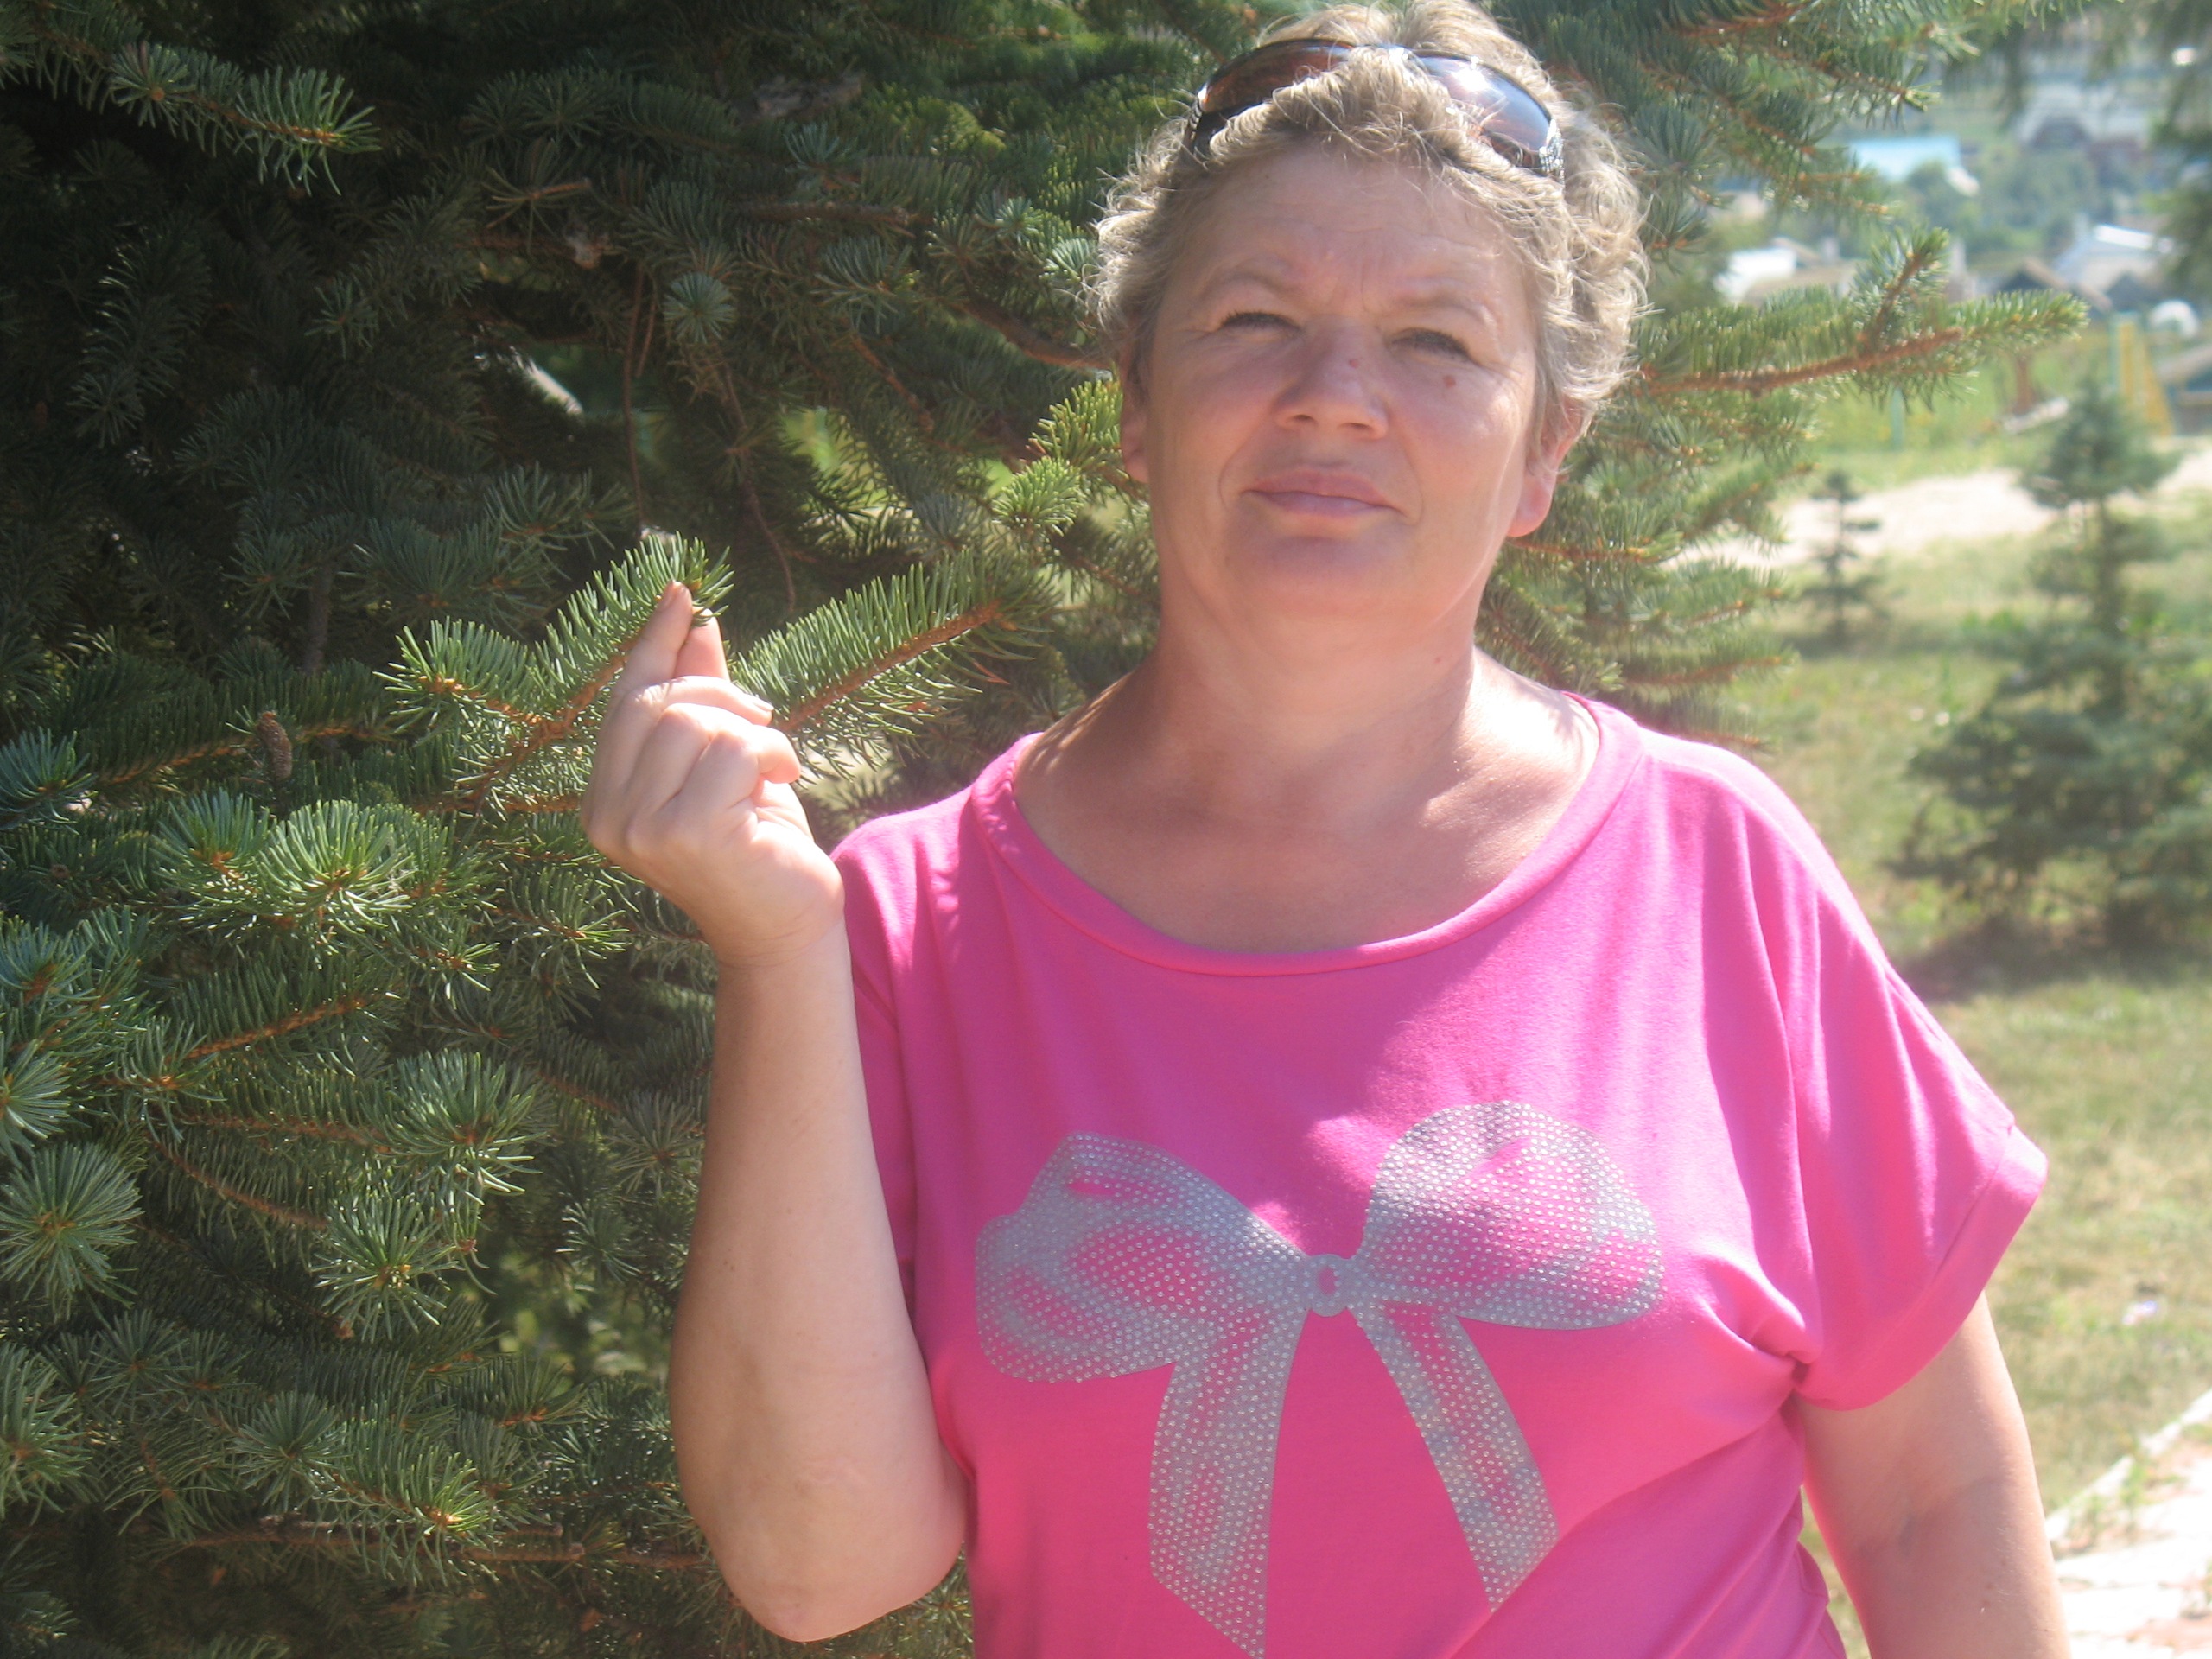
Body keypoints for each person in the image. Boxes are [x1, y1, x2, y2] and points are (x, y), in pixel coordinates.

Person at [580, 3, 2069, 1654]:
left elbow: (1932, 1499)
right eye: (1255, 317)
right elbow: (817, 1566)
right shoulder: (907, 924)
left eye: (1438, 341)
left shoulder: (1718, 873)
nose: (1337, 395)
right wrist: (774, 954)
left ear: (1543, 452)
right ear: (1137, 403)